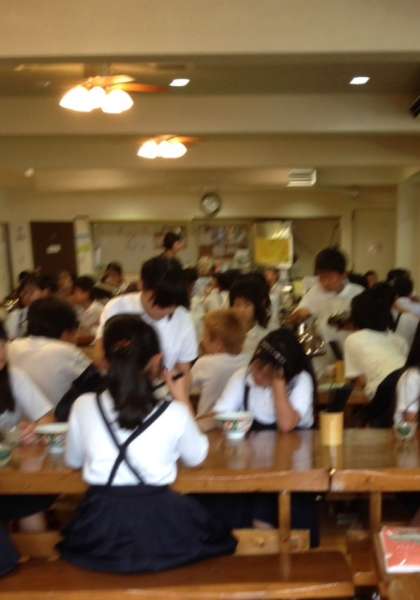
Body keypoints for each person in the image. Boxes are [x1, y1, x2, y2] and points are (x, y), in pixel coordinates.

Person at [58, 314, 236, 573]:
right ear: (156, 361)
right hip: (161, 525)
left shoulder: (83, 405)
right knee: (221, 536)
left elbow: (73, 460)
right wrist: (182, 398)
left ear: (104, 359)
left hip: (101, 527)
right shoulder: (174, 412)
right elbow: (197, 457)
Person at [96, 256, 198, 380]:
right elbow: (101, 358)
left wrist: (162, 377)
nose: (165, 311)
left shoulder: (183, 317)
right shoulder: (116, 307)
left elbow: (183, 372)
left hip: (163, 388)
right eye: (160, 303)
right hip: (122, 387)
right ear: (141, 284)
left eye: (173, 304)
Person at [214, 328, 315, 432]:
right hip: (253, 443)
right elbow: (219, 416)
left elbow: (286, 425)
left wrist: (278, 382)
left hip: (297, 442)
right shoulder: (242, 376)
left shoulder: (301, 380)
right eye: (258, 366)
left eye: (269, 373)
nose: (259, 375)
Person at [8, 298, 90, 407]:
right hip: (56, 416)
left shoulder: (11, 346)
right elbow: (98, 386)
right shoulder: (66, 351)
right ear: (67, 332)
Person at [344, 284, 408, 401]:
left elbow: (359, 379)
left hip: (384, 393)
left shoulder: (353, 339)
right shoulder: (399, 339)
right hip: (410, 387)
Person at [191, 309, 248, 416]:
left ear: (218, 344)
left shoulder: (205, 363)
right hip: (238, 422)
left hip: (208, 422)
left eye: (205, 336)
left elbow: (184, 387)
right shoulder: (247, 360)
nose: (202, 341)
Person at [290, 247, 364, 327]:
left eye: (330, 277)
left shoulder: (358, 293)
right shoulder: (316, 291)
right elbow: (293, 319)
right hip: (320, 335)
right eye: (321, 277)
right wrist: (300, 315)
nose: (325, 283)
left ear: (343, 275)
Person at [5, 273, 57, 340]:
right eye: (24, 292)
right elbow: (8, 341)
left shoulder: (55, 314)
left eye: (31, 291)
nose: (26, 296)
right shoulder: (16, 316)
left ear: (45, 292)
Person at [230, 273, 270, 357]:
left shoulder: (264, 337)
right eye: (237, 304)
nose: (241, 310)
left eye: (247, 305)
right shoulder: (226, 333)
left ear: (257, 307)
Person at [72, 276, 104, 344]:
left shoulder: (98, 309)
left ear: (87, 293)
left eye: (76, 292)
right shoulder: (76, 308)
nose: (74, 295)